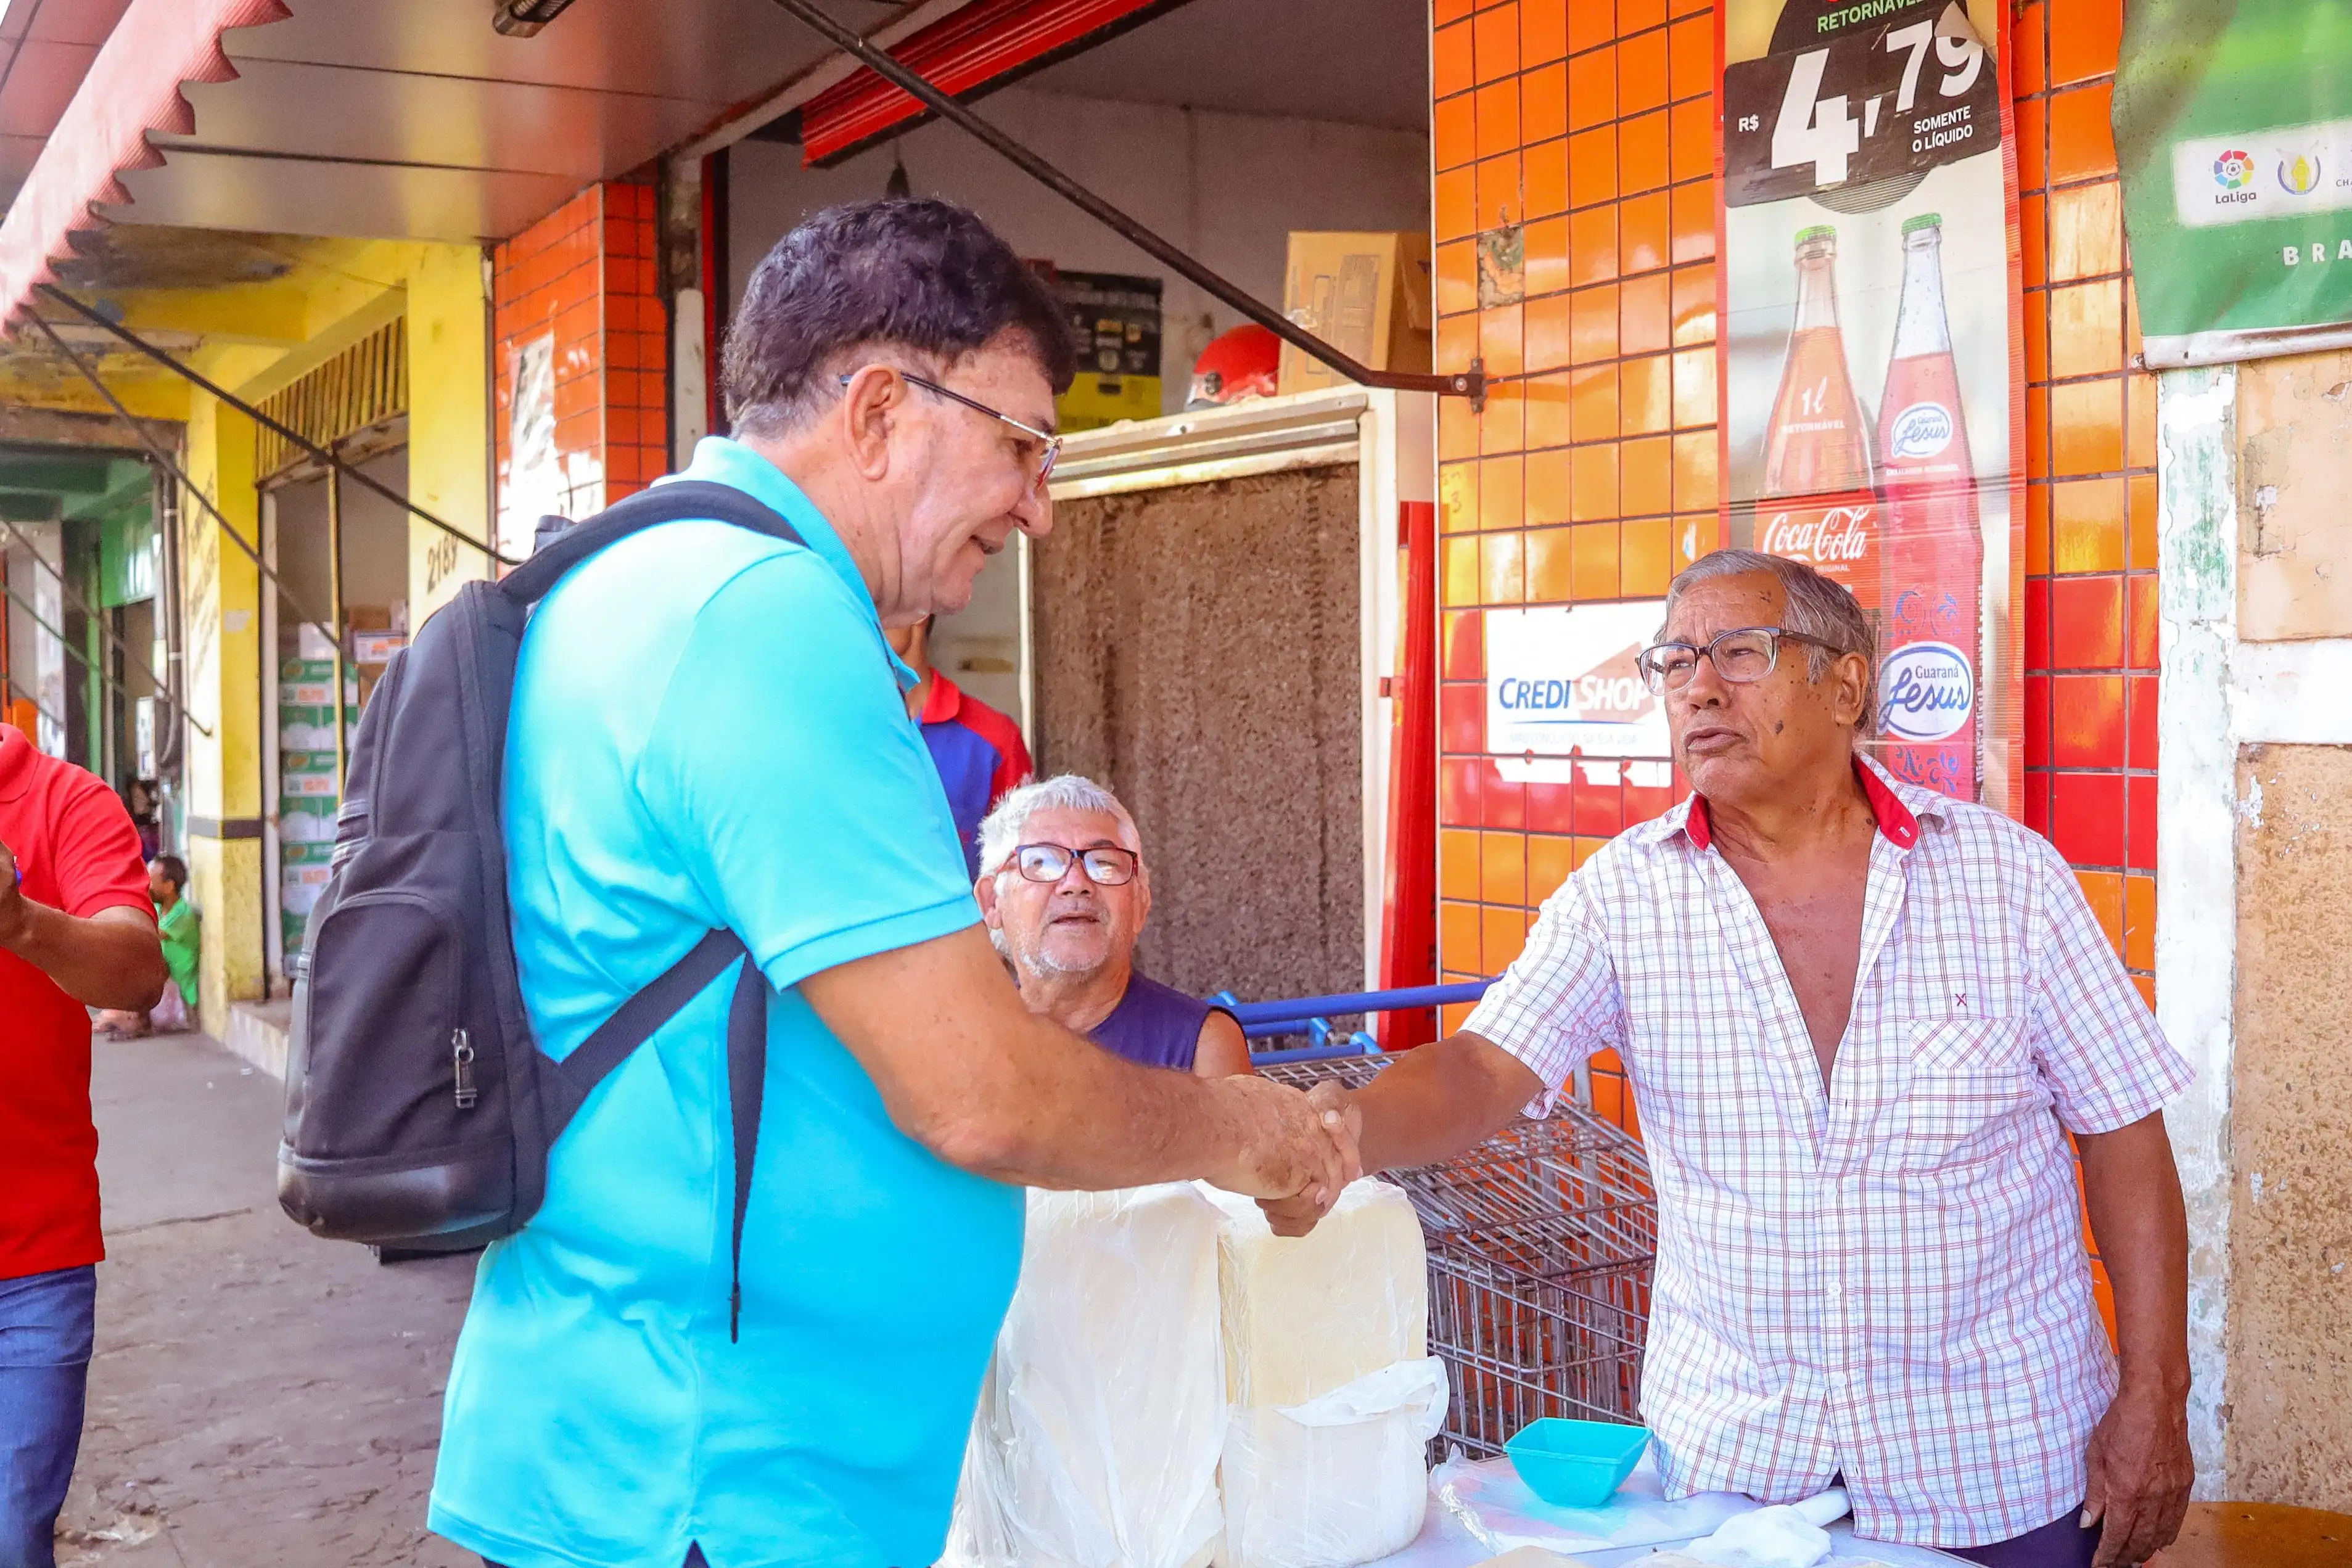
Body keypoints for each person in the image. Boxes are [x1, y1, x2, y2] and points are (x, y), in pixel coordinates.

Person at [427, 199, 1354, 1568]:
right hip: (709, 1485)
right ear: (876, 410)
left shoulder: (635, 578)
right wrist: (1254, 1129)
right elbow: (978, 1087)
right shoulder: (762, 615)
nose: (1037, 506)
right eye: (1020, 443)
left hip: (656, 1453)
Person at [1272, 550, 2196, 1568]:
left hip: (1994, 1462)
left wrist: (2153, 1396)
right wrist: (1347, 1127)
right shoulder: (1619, 897)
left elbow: (2122, 1132)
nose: (1697, 687)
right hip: (1733, 1477)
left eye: (1738, 653)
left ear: (1843, 684)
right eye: (1671, 662)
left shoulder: (2005, 879)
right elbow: (1484, 1067)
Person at [0, 721, 168, 1568]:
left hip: (30, 1268)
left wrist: (21, 920)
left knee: (11, 1537)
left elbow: (139, 972)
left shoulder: (66, 800)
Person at [977, 773, 1252, 1077]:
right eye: (1042, 863)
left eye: (1104, 864)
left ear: (1141, 903)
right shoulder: (967, 1043)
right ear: (992, 902)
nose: (1075, 883)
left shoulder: (1203, 1047)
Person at [889, 614, 1032, 877]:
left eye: (874, 605)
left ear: (918, 612)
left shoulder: (996, 740)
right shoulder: (835, 733)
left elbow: (1021, 872)